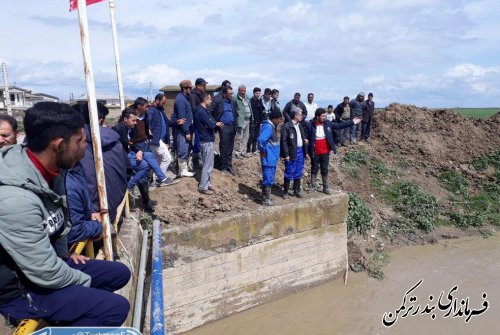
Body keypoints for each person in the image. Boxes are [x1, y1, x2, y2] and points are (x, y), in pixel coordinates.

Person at [0, 102, 130, 327]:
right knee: (115, 308)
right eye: (80, 141)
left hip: (43, 266)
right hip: (21, 290)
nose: (85, 148)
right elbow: (47, 274)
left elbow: (61, 220)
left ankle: (70, 313)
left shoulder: (52, 171)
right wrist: (83, 281)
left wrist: (62, 255)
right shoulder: (15, 200)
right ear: (59, 145)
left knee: (119, 273)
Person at [77, 102, 128, 223]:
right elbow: (128, 169)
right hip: (113, 204)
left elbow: (88, 179)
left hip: (92, 214)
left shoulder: (77, 145)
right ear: (101, 120)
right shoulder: (116, 142)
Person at [112, 108, 158, 212]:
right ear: (125, 119)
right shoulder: (117, 130)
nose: (136, 122)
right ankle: (136, 202)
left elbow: (133, 144)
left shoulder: (132, 128)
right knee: (143, 167)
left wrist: (139, 151)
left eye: (136, 120)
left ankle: (146, 201)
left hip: (131, 154)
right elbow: (118, 149)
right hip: (122, 159)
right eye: (133, 120)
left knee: (145, 170)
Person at [307, 108, 361, 194]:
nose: (325, 117)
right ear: (317, 116)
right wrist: (307, 151)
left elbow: (339, 126)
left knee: (324, 169)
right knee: (314, 169)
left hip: (325, 151)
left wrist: (352, 122)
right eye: (323, 116)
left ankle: (326, 188)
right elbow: (306, 137)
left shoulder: (328, 123)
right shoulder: (310, 124)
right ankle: (313, 187)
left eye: (325, 116)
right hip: (315, 152)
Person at [66, 160, 104, 245]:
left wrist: (89, 214)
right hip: (70, 243)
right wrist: (100, 227)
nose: (86, 145)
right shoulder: (67, 182)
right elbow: (75, 231)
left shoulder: (76, 166)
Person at [194, 93, 223, 195]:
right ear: (205, 100)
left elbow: (212, 121)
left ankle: (208, 183)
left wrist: (214, 123)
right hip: (206, 140)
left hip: (206, 139)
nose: (211, 102)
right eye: (210, 100)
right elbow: (211, 124)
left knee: (210, 164)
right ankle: (203, 186)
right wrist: (215, 124)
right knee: (207, 165)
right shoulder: (201, 112)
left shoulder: (204, 111)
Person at [147, 93, 177, 183]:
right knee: (167, 158)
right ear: (157, 100)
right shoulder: (151, 110)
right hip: (155, 140)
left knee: (158, 160)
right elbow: (147, 120)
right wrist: (148, 129)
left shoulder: (161, 111)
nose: (164, 104)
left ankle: (155, 180)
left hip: (161, 140)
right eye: (163, 102)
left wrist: (176, 122)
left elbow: (168, 123)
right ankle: (161, 179)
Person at [209, 86, 237, 175]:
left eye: (232, 93)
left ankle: (229, 165)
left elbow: (234, 113)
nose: (231, 95)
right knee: (224, 147)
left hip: (232, 126)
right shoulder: (218, 101)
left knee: (230, 147)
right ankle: (223, 167)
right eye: (230, 94)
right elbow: (209, 112)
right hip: (223, 127)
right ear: (225, 94)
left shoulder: (232, 102)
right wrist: (215, 122)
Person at [280, 108, 308, 199]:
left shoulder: (299, 125)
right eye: (300, 114)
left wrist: (306, 151)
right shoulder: (287, 126)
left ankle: (296, 191)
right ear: (296, 115)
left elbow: (302, 137)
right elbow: (283, 141)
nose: (302, 116)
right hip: (292, 152)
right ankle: (286, 192)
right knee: (289, 171)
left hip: (300, 151)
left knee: (298, 171)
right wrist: (286, 154)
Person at [258, 109, 283, 206]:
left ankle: (267, 197)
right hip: (269, 157)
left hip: (271, 157)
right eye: (279, 119)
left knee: (270, 177)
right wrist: (264, 152)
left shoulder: (271, 126)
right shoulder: (268, 127)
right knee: (268, 177)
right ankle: (265, 199)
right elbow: (261, 140)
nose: (280, 121)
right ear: (275, 119)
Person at [172, 80, 195, 177]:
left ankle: (184, 169)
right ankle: (183, 171)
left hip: (187, 129)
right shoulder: (180, 100)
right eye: (190, 88)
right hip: (182, 130)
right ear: (185, 88)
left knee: (187, 148)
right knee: (183, 149)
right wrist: (186, 131)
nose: (191, 89)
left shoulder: (185, 98)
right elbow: (182, 118)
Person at [189, 78, 208, 169]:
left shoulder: (201, 95)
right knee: (197, 140)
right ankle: (195, 160)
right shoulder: (193, 95)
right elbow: (194, 109)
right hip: (196, 121)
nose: (205, 87)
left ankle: (198, 158)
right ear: (198, 85)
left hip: (201, 120)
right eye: (203, 85)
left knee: (200, 139)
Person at [233, 84, 253, 158]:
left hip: (248, 120)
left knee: (245, 137)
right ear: (238, 91)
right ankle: (237, 153)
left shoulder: (247, 98)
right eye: (242, 90)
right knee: (239, 137)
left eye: (244, 90)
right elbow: (234, 110)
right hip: (240, 121)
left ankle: (243, 151)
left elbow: (250, 108)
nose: (243, 92)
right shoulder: (235, 98)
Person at [247, 87, 264, 155]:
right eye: (257, 93)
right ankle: (248, 150)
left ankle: (254, 150)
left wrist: (261, 121)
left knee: (256, 137)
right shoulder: (250, 101)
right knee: (251, 136)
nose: (258, 94)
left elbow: (261, 111)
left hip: (258, 122)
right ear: (254, 93)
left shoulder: (259, 101)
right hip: (252, 122)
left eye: (259, 93)